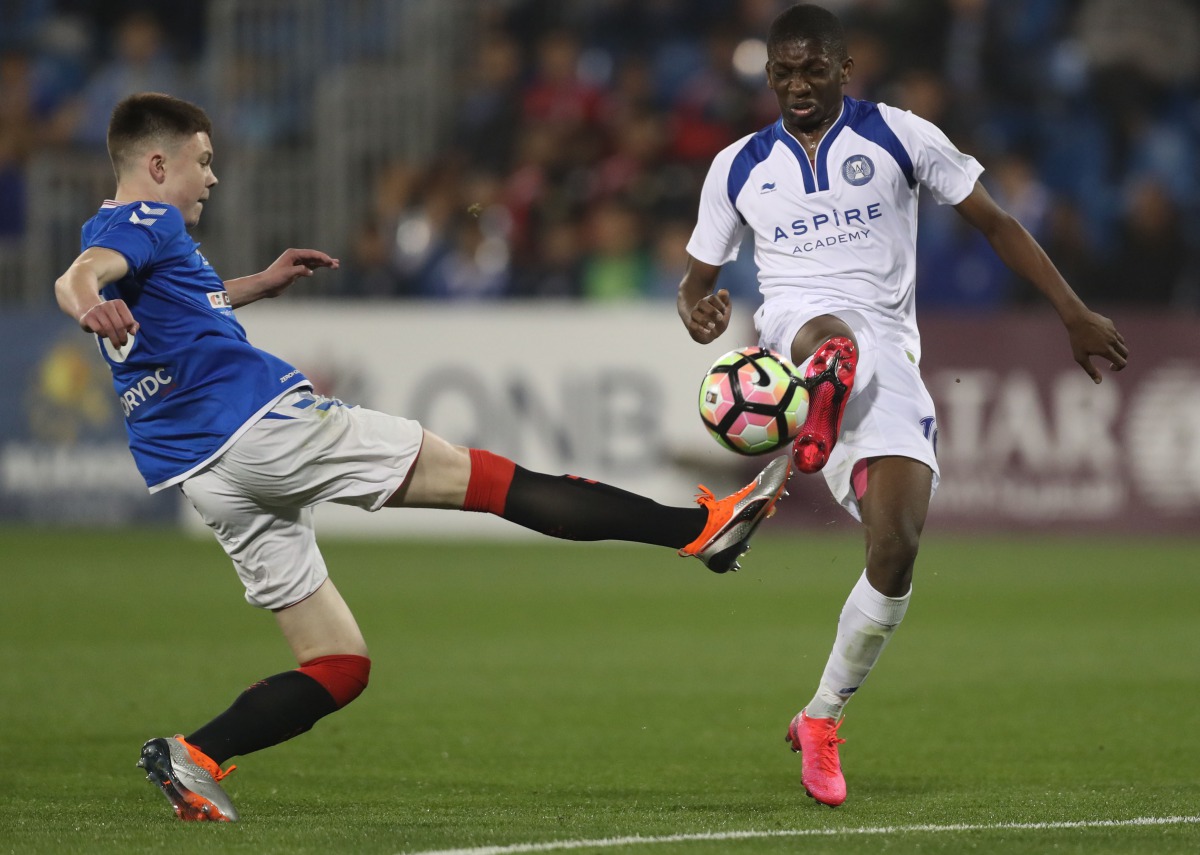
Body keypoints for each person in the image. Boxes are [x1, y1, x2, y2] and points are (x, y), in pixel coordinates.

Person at [54, 92, 793, 823]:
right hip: (266, 428)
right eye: (202, 161)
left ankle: (195, 754)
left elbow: (181, 308)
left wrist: (258, 284)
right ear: (158, 163)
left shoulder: (132, 232)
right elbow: (79, 275)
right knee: (495, 483)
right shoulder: (142, 220)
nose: (211, 178)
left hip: (211, 477)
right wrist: (87, 299)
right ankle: (698, 529)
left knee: (338, 664)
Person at [676, 4, 1129, 807]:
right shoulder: (737, 165)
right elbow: (697, 280)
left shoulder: (899, 134)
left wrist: (1071, 309)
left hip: (890, 352)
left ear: (845, 69)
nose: (798, 84)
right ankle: (813, 395)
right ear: (769, 74)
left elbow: (995, 221)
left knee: (897, 548)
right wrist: (699, 308)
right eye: (783, 72)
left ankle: (820, 716)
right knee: (826, 331)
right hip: (795, 326)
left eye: (813, 68)